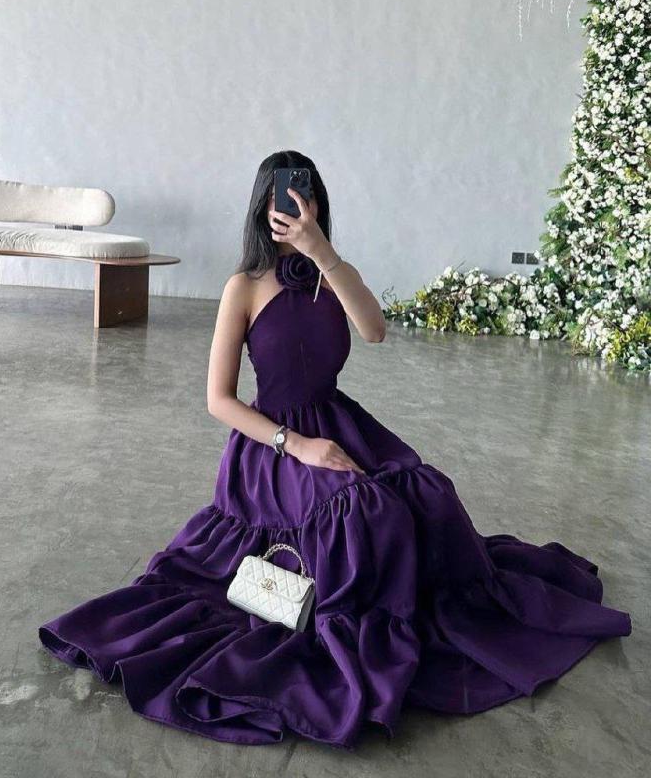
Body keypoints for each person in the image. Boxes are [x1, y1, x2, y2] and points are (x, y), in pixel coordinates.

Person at [38, 150, 632, 750]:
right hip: (273, 446)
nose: (296, 205)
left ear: (319, 204)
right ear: (263, 205)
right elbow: (218, 399)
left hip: (340, 420)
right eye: (284, 195)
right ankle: (353, 619)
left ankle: (418, 606)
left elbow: (374, 330)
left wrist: (322, 252)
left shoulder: (332, 273)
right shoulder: (244, 286)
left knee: (427, 494)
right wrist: (298, 446)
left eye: (308, 195)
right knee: (365, 512)